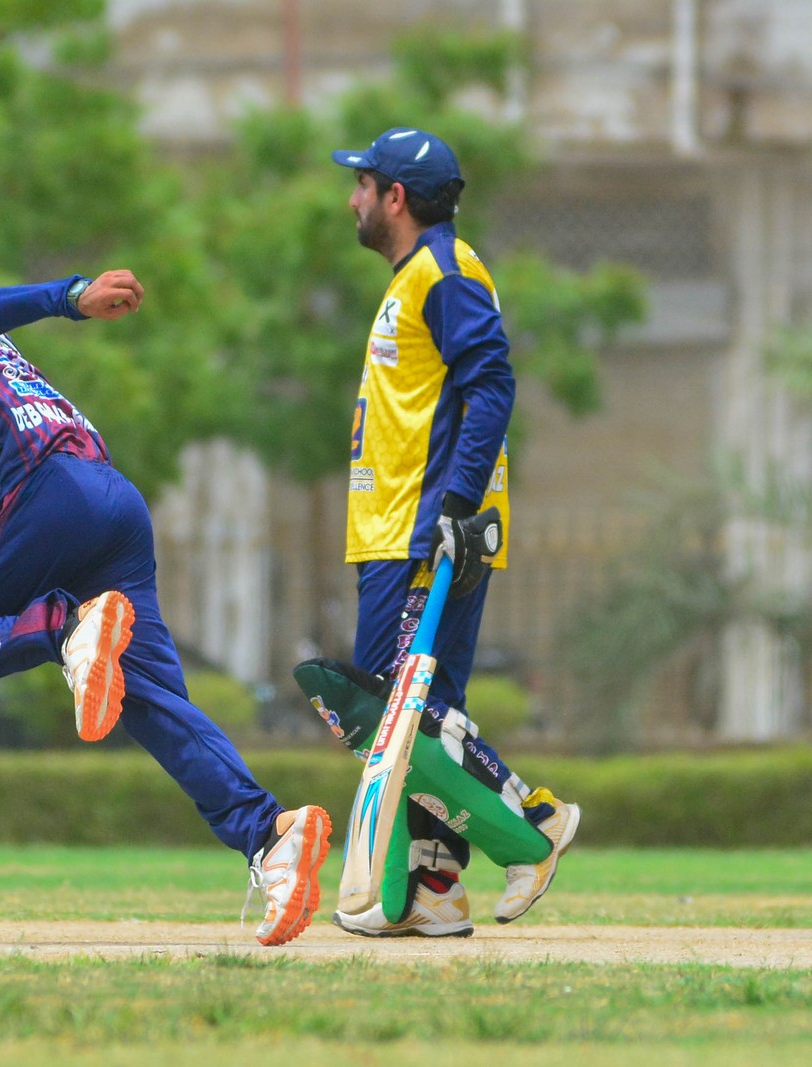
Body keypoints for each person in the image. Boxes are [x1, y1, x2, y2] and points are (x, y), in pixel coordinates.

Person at [0, 199, 328, 947]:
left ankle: (65, 629)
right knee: (147, 699)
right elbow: (19, 419)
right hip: (109, 499)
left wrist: (69, 297)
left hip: (49, 495)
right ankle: (269, 835)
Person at [323, 128, 581, 937]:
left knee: (399, 715)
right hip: (392, 530)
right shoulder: (415, 277)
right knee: (420, 713)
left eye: (363, 185)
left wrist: (456, 508)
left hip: (421, 532)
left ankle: (532, 823)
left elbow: (492, 382)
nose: (353, 200)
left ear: (395, 197)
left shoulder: (444, 271)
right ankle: (432, 885)